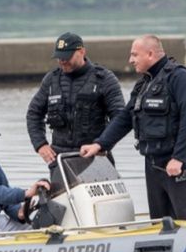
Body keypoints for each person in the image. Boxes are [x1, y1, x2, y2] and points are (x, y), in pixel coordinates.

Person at [80, 35, 186, 222]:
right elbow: (125, 118)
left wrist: (178, 158)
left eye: (135, 55)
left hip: (178, 163)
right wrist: (100, 144)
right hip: (153, 162)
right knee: (160, 220)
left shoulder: (180, 78)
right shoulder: (144, 84)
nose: (131, 60)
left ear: (150, 54)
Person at [26, 32, 125, 166]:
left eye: (67, 57)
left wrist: (102, 144)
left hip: (96, 158)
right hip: (60, 160)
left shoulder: (104, 78)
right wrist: (40, 144)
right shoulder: (51, 80)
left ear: (82, 51)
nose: (62, 61)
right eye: (59, 57)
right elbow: (34, 113)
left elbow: (120, 117)